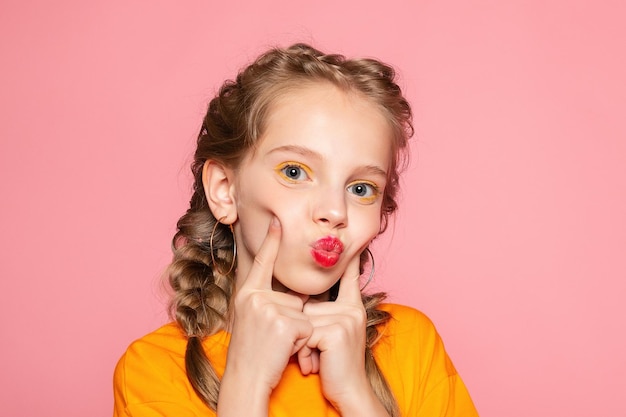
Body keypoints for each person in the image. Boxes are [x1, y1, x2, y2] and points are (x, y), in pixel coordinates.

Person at [113, 43, 478, 417]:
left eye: (360, 189)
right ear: (225, 189)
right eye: (294, 172)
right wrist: (247, 383)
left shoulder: (410, 344)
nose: (335, 211)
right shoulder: (153, 370)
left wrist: (356, 395)